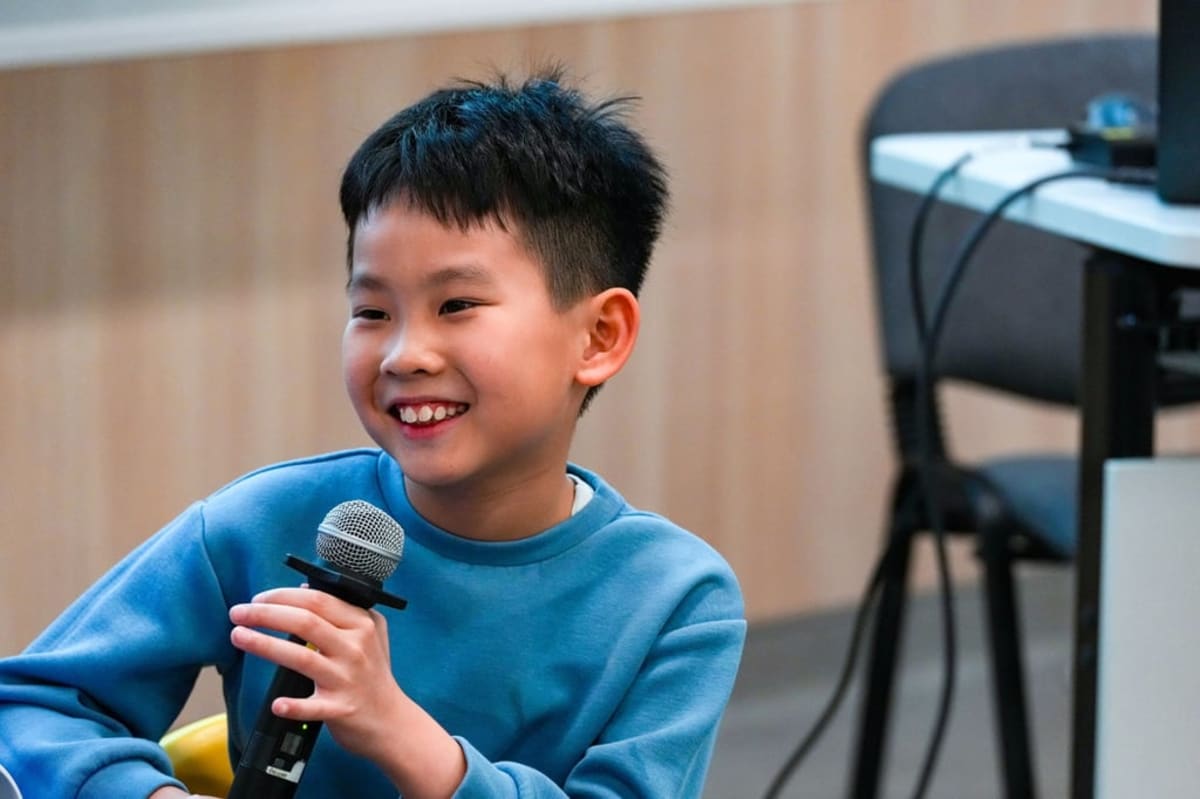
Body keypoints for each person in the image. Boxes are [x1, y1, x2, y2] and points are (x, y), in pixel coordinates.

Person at [0, 67, 746, 798]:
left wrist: (402, 734)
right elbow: (38, 704)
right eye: (372, 311)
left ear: (599, 337)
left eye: (455, 304)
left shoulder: (674, 599)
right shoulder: (263, 521)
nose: (404, 354)